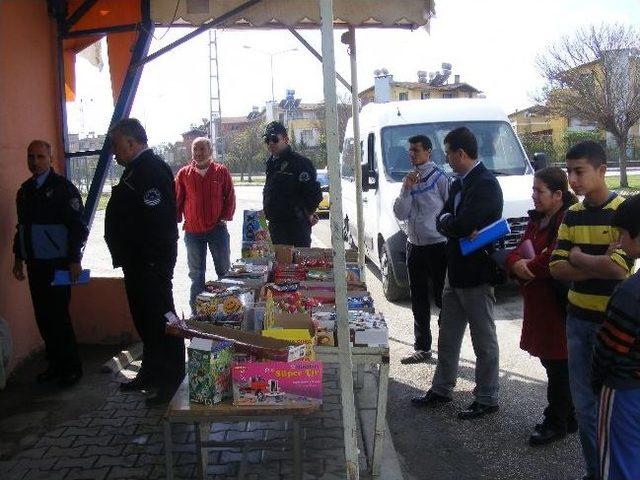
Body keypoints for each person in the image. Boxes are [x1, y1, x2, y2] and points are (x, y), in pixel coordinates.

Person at [549, 141, 633, 480]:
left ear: (601, 170)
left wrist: (580, 258)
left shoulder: (622, 212)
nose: (572, 179)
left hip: (613, 325)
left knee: (617, 408)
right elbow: (555, 267)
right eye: (569, 172)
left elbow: (620, 269)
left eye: (579, 171)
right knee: (584, 407)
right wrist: (598, 263)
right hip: (578, 320)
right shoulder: (572, 214)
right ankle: (595, 472)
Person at [412, 126, 503, 420]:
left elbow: (463, 224)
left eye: (449, 153)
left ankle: (487, 397)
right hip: (455, 270)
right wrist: (453, 222)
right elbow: (444, 218)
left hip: (476, 273)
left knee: (483, 340)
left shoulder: (485, 184)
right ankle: (441, 389)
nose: (447, 159)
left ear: (460, 153)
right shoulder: (459, 182)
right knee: (447, 336)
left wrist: (453, 223)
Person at [104, 118, 185, 407]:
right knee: (146, 321)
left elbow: (159, 222)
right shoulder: (136, 169)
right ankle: (150, 373)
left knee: (163, 320)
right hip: (137, 261)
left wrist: (153, 262)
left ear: (130, 142)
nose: (113, 151)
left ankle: (172, 379)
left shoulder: (150, 169)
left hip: (150, 262)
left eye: (116, 145)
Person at [506, 167, 578, 446]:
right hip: (540, 302)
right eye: (533, 190)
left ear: (558, 195)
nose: (533, 195)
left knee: (559, 363)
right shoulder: (538, 220)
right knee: (552, 362)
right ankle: (567, 415)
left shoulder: (567, 220)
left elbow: (553, 258)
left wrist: (526, 267)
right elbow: (517, 248)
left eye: (539, 191)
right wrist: (517, 264)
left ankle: (556, 420)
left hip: (557, 303)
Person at [12, 140, 88, 387]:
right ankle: (55, 365)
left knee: (58, 317)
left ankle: (71, 368)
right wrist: (18, 258)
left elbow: (77, 228)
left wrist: (74, 260)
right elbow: (22, 229)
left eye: (40, 157)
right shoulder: (25, 191)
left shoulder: (63, 189)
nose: (35, 162)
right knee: (43, 317)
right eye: (31, 156)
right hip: (35, 265)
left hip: (58, 265)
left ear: (51, 159)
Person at [592, 194, 640, 480]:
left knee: (620, 467)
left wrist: (597, 382)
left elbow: (609, 348)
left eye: (622, 234)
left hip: (625, 391)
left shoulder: (630, 293)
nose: (619, 242)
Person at [393, 135, 449, 364]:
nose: (412, 154)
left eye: (416, 150)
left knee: (442, 299)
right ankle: (422, 347)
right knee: (417, 299)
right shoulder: (408, 179)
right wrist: (406, 189)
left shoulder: (440, 178)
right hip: (414, 245)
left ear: (428, 152)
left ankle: (447, 349)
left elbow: (449, 209)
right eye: (410, 151)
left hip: (438, 245)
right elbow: (400, 213)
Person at [175, 136, 236, 315]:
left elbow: (230, 196)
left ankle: (229, 311)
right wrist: (175, 220)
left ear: (210, 151)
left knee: (224, 271)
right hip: (193, 232)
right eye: (195, 149)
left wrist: (225, 217)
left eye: (202, 149)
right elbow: (177, 199)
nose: (199, 153)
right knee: (196, 274)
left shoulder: (221, 171)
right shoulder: (184, 174)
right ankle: (197, 313)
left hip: (217, 230)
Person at [262, 121, 322, 247]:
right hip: (276, 226)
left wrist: (307, 215)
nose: (271, 143)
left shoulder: (301, 163)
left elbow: (314, 194)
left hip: (296, 228)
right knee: (278, 265)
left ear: (286, 139)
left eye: (274, 139)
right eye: (267, 140)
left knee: (298, 265)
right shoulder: (271, 163)